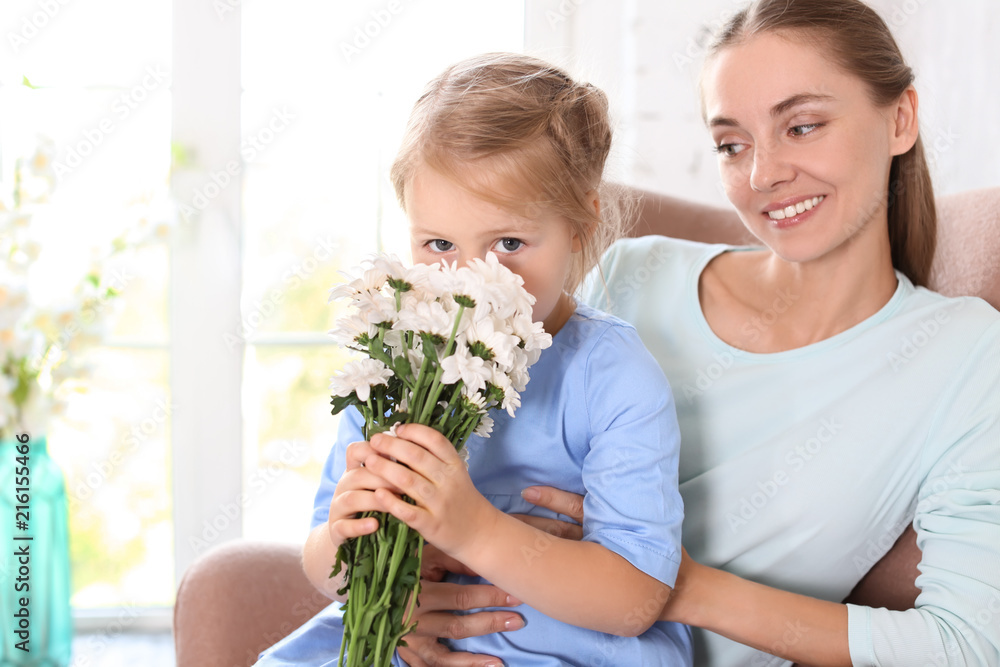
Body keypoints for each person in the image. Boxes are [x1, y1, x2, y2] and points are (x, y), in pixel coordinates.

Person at [395, 1, 1000, 666]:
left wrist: (673, 588)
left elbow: (966, 643)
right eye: (731, 144)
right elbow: (490, 471)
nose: (764, 173)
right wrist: (408, 599)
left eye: (801, 126)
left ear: (901, 119)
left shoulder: (966, 358)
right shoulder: (634, 274)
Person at [254, 53, 693, 666]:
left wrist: (475, 530)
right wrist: (353, 551)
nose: (470, 282)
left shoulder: (613, 374)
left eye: (509, 243)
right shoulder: (397, 364)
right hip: (410, 637)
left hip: (560, 642)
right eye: (438, 244)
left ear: (580, 225)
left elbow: (635, 600)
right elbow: (324, 565)